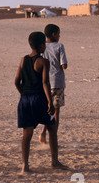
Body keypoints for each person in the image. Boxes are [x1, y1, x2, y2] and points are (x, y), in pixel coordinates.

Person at [14, 32, 68, 173]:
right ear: (41, 45)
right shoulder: (43, 62)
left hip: (25, 100)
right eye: (44, 43)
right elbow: (45, 82)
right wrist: (49, 102)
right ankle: (54, 161)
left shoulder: (23, 60)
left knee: (27, 133)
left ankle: (25, 165)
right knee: (52, 128)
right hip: (40, 99)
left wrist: (23, 94)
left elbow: (16, 81)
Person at [40, 24, 68, 145]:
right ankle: (53, 138)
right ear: (53, 34)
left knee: (48, 109)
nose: (59, 36)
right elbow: (64, 65)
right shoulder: (60, 46)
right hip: (57, 82)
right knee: (56, 112)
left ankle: (43, 132)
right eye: (58, 33)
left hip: (45, 83)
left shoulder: (42, 47)